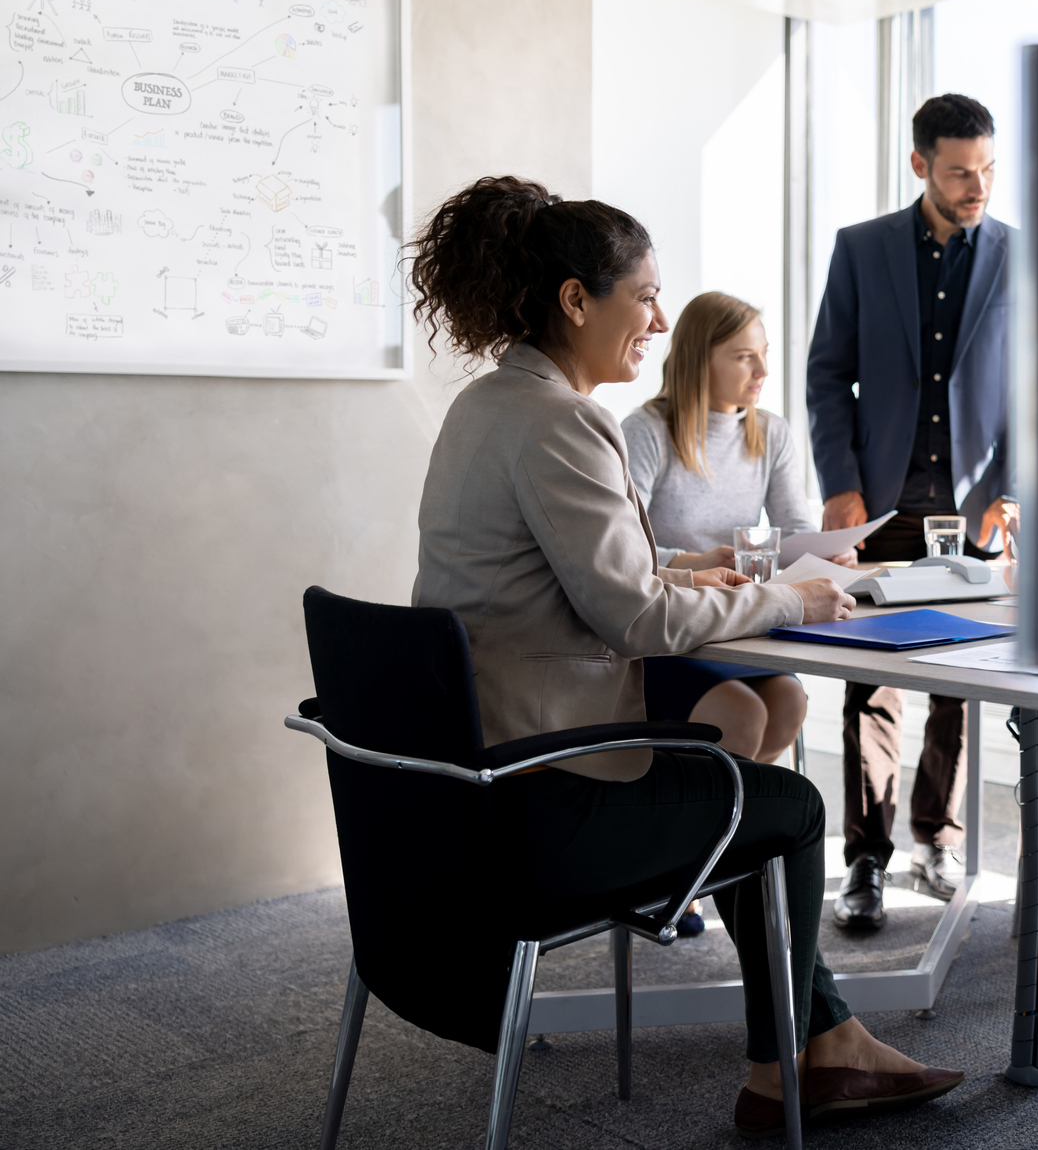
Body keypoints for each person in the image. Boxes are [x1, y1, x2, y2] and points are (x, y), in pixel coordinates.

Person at [405, 177, 961, 1137]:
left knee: (740, 782)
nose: (659, 320)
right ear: (577, 300)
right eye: (645, 296)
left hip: (472, 783)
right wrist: (786, 597)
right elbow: (634, 621)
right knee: (784, 804)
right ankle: (798, 1060)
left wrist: (691, 565)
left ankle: (811, 1042)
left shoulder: (492, 405)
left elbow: (585, 566)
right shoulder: (565, 421)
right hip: (546, 792)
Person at [807, 93, 1016, 928]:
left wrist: (1016, 491)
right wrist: (839, 481)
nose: (978, 186)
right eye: (962, 170)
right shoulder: (860, 250)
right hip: (880, 500)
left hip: (974, 509)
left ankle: (939, 836)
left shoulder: (1021, 258)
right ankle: (865, 856)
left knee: (957, 681)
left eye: (988, 169)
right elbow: (828, 374)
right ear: (921, 164)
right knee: (872, 681)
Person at [623, 291, 856, 764]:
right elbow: (624, 551)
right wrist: (694, 562)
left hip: (740, 626)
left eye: (764, 354)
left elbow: (792, 529)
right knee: (742, 714)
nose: (762, 372)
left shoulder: (770, 431)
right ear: (699, 359)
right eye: (745, 357)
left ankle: (745, 829)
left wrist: (824, 553)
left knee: (789, 703)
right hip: (672, 631)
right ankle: (716, 827)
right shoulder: (646, 432)